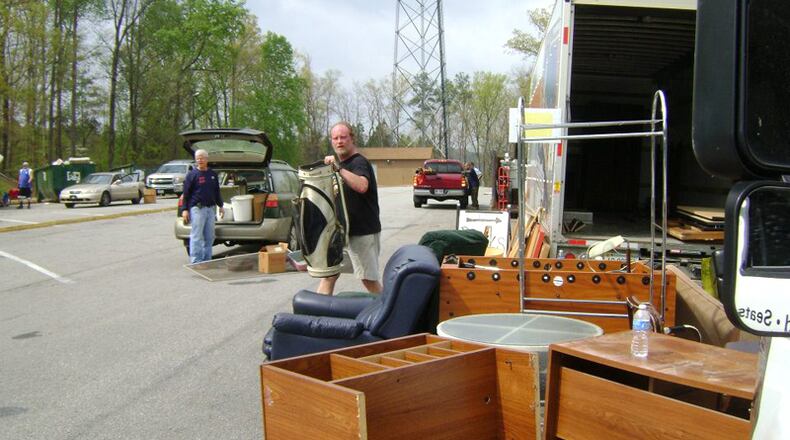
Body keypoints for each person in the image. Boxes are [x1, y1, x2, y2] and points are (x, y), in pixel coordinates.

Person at [319, 122, 382, 295]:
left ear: (352, 139)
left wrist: (338, 169)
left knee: (368, 280)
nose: (339, 141)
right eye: (335, 138)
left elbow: (362, 186)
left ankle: (389, 315)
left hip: (363, 231)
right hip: (342, 232)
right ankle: (314, 313)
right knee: (329, 274)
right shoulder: (343, 165)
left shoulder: (358, 162)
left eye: (343, 137)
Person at [181, 149, 224, 264]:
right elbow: (186, 193)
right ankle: (196, 261)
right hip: (197, 209)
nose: (200, 160)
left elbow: (216, 192)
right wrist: (184, 209)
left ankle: (207, 260)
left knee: (209, 237)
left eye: (202, 158)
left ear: (207, 159)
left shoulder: (212, 175)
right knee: (197, 236)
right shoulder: (192, 175)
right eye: (197, 158)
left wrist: (221, 205)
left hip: (210, 209)